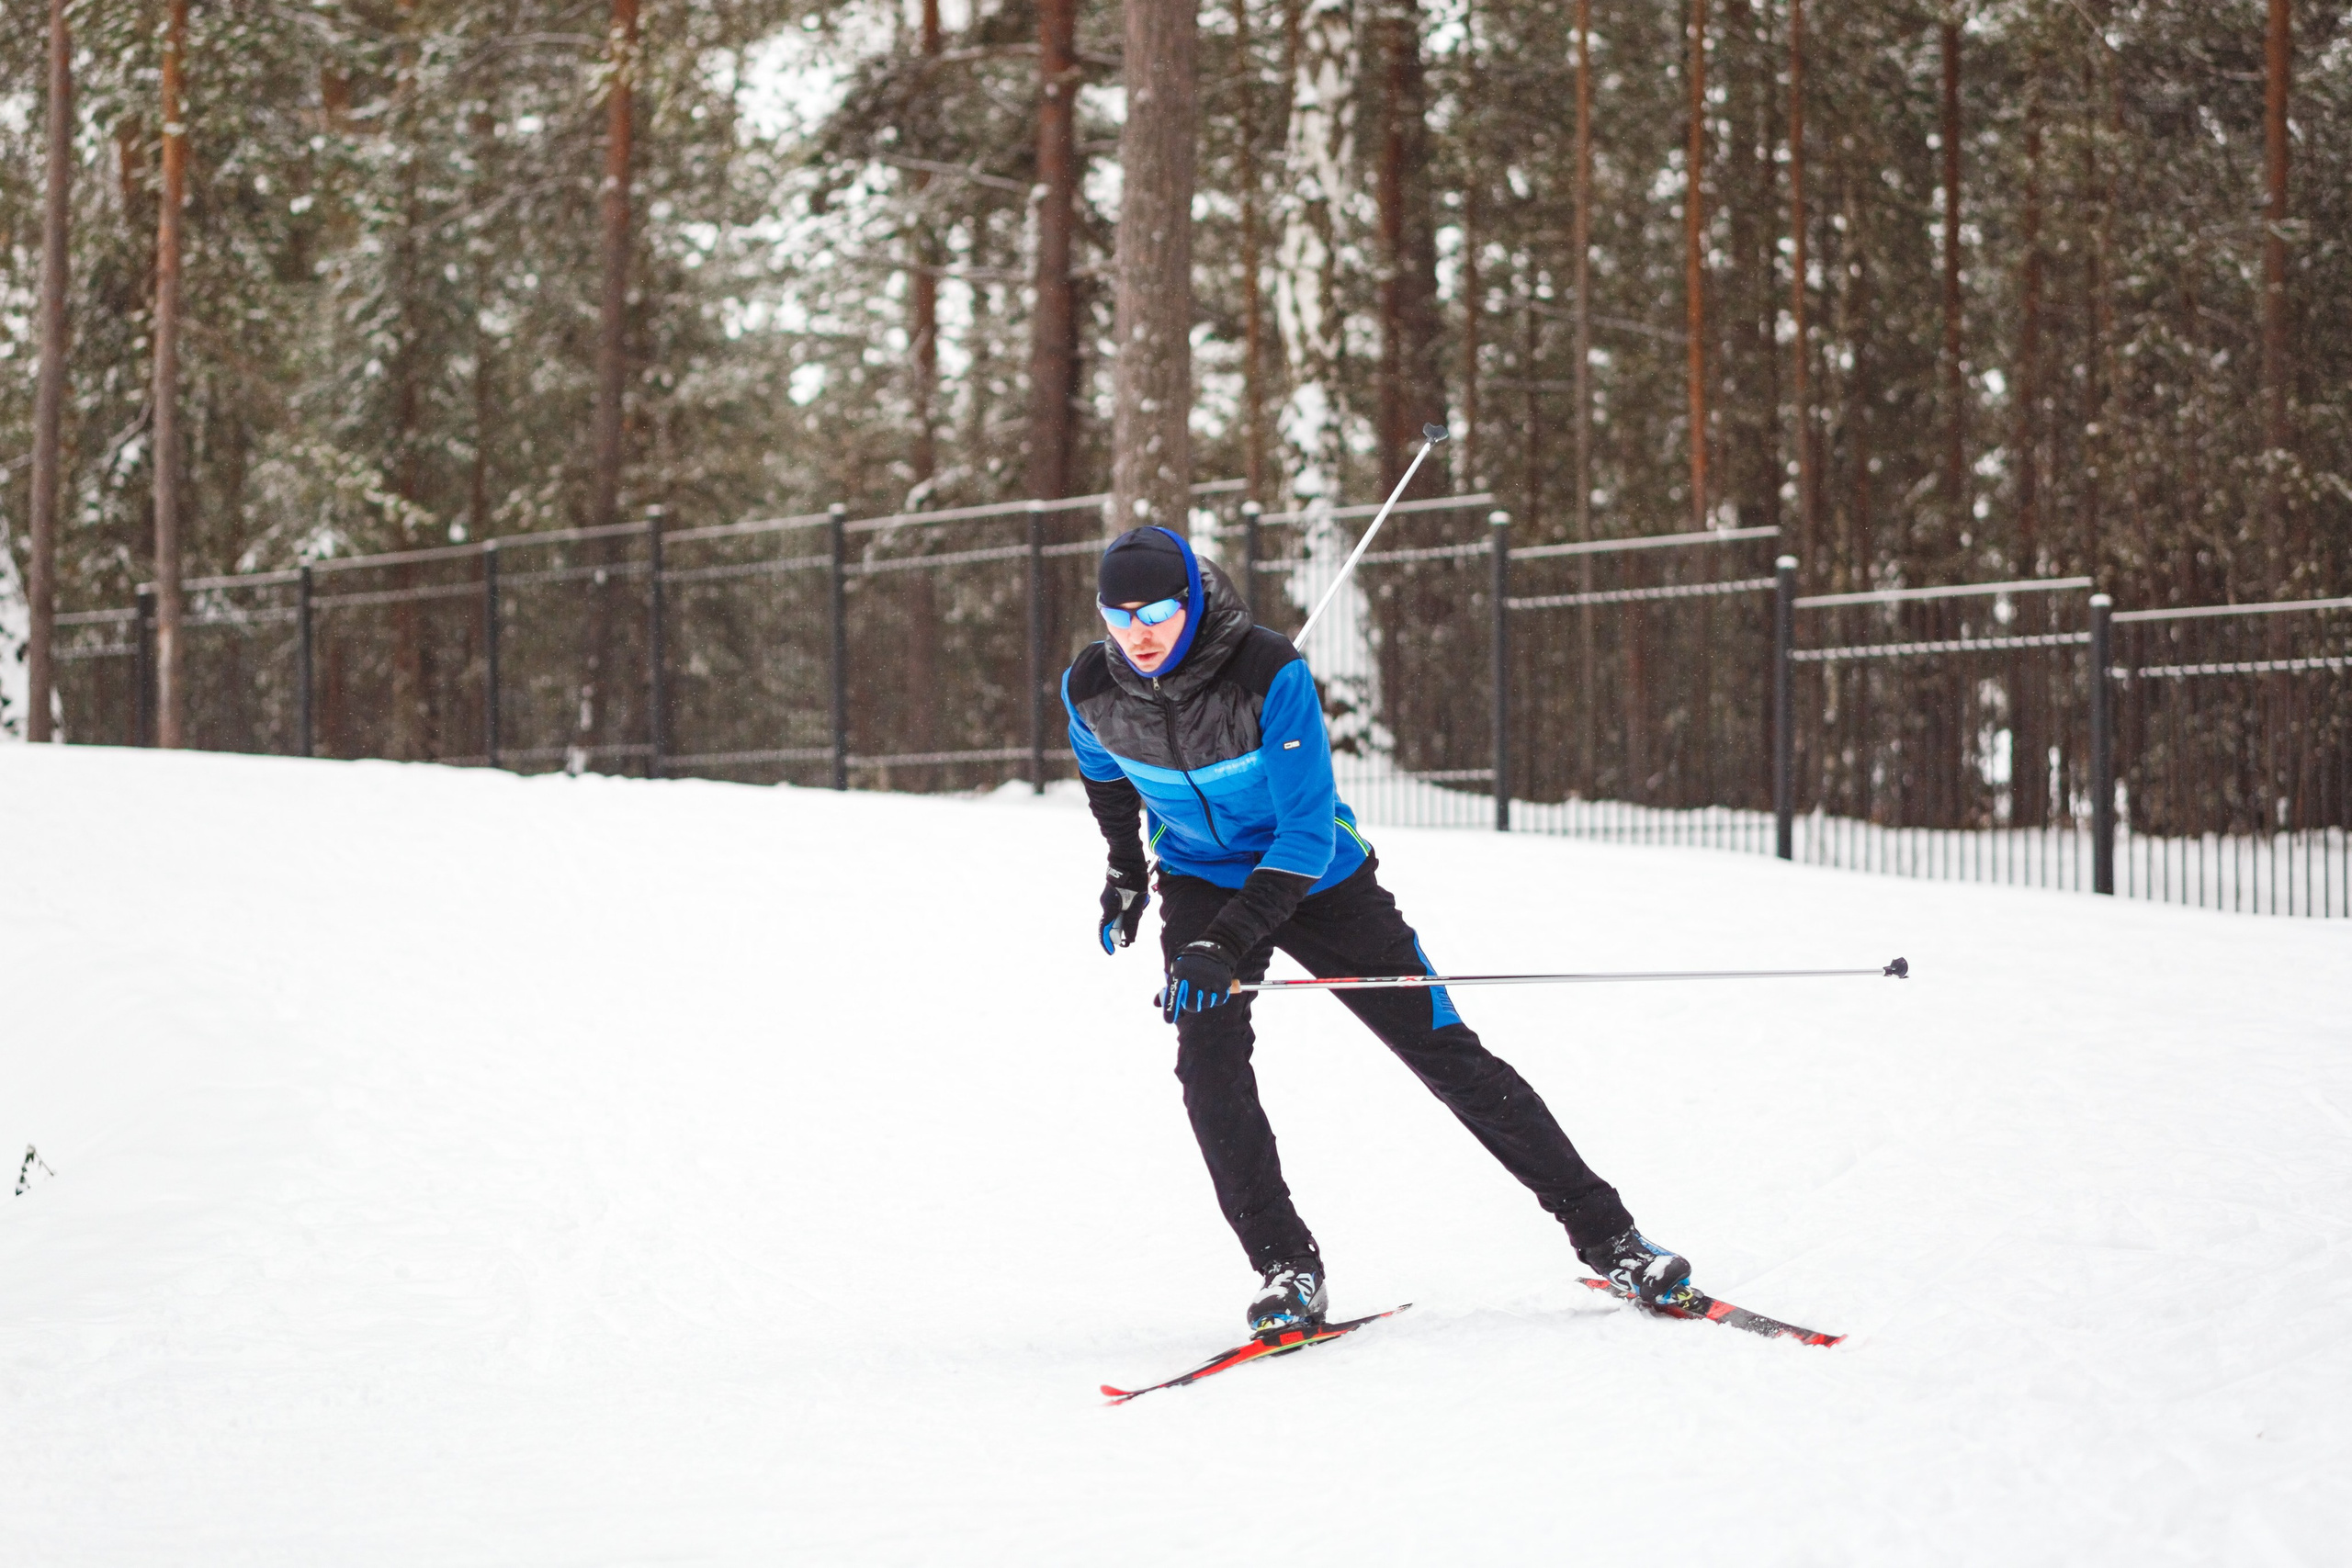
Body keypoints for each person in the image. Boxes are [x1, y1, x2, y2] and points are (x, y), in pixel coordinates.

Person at [1063, 524, 1693, 1338]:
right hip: (1199, 878)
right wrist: (1125, 874)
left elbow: (1303, 834)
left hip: (1318, 876)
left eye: (1157, 611)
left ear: (1191, 599)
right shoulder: (1093, 687)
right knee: (1207, 1068)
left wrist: (1226, 942)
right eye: (1120, 615)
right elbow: (1106, 777)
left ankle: (1613, 1239)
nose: (1139, 632)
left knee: (1445, 1052)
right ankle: (1286, 1267)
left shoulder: (1267, 673)